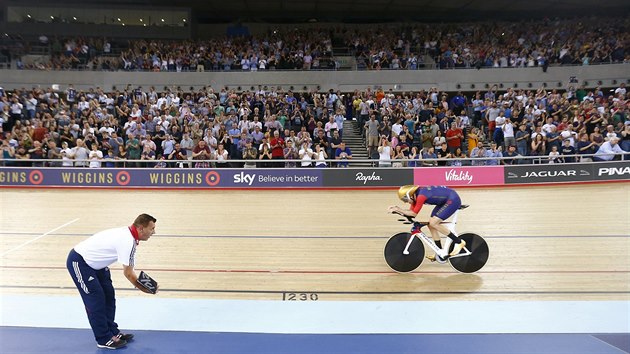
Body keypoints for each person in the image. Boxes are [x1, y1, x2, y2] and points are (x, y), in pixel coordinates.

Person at [66, 214, 157, 350]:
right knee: (96, 300)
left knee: (109, 296)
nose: (154, 232)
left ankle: (112, 332)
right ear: (141, 228)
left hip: (97, 265)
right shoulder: (128, 242)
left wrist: (147, 286)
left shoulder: (129, 236)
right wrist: (145, 289)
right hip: (80, 263)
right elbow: (128, 273)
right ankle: (103, 338)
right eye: (152, 228)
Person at [388, 185, 466, 262]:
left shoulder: (421, 196)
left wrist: (398, 209)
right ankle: (439, 252)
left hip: (453, 200)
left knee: (434, 223)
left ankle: (459, 242)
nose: (405, 202)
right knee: (431, 225)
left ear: (409, 195)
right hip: (445, 201)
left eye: (405, 200)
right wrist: (397, 211)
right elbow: (410, 213)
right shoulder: (414, 197)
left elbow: (413, 214)